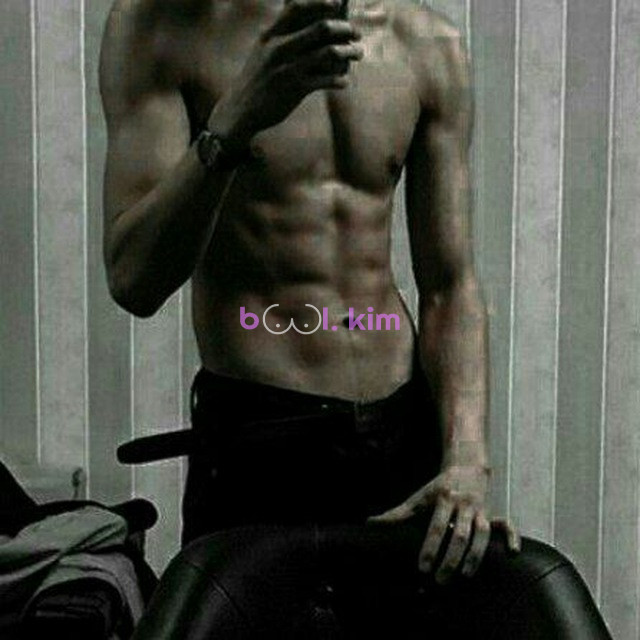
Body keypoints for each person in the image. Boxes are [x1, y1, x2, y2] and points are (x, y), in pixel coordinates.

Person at [99, 0, 521, 588]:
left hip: (403, 436)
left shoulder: (428, 44)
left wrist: (467, 459)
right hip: (260, 442)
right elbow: (133, 279)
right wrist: (233, 125)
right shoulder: (162, 25)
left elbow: (450, 287)